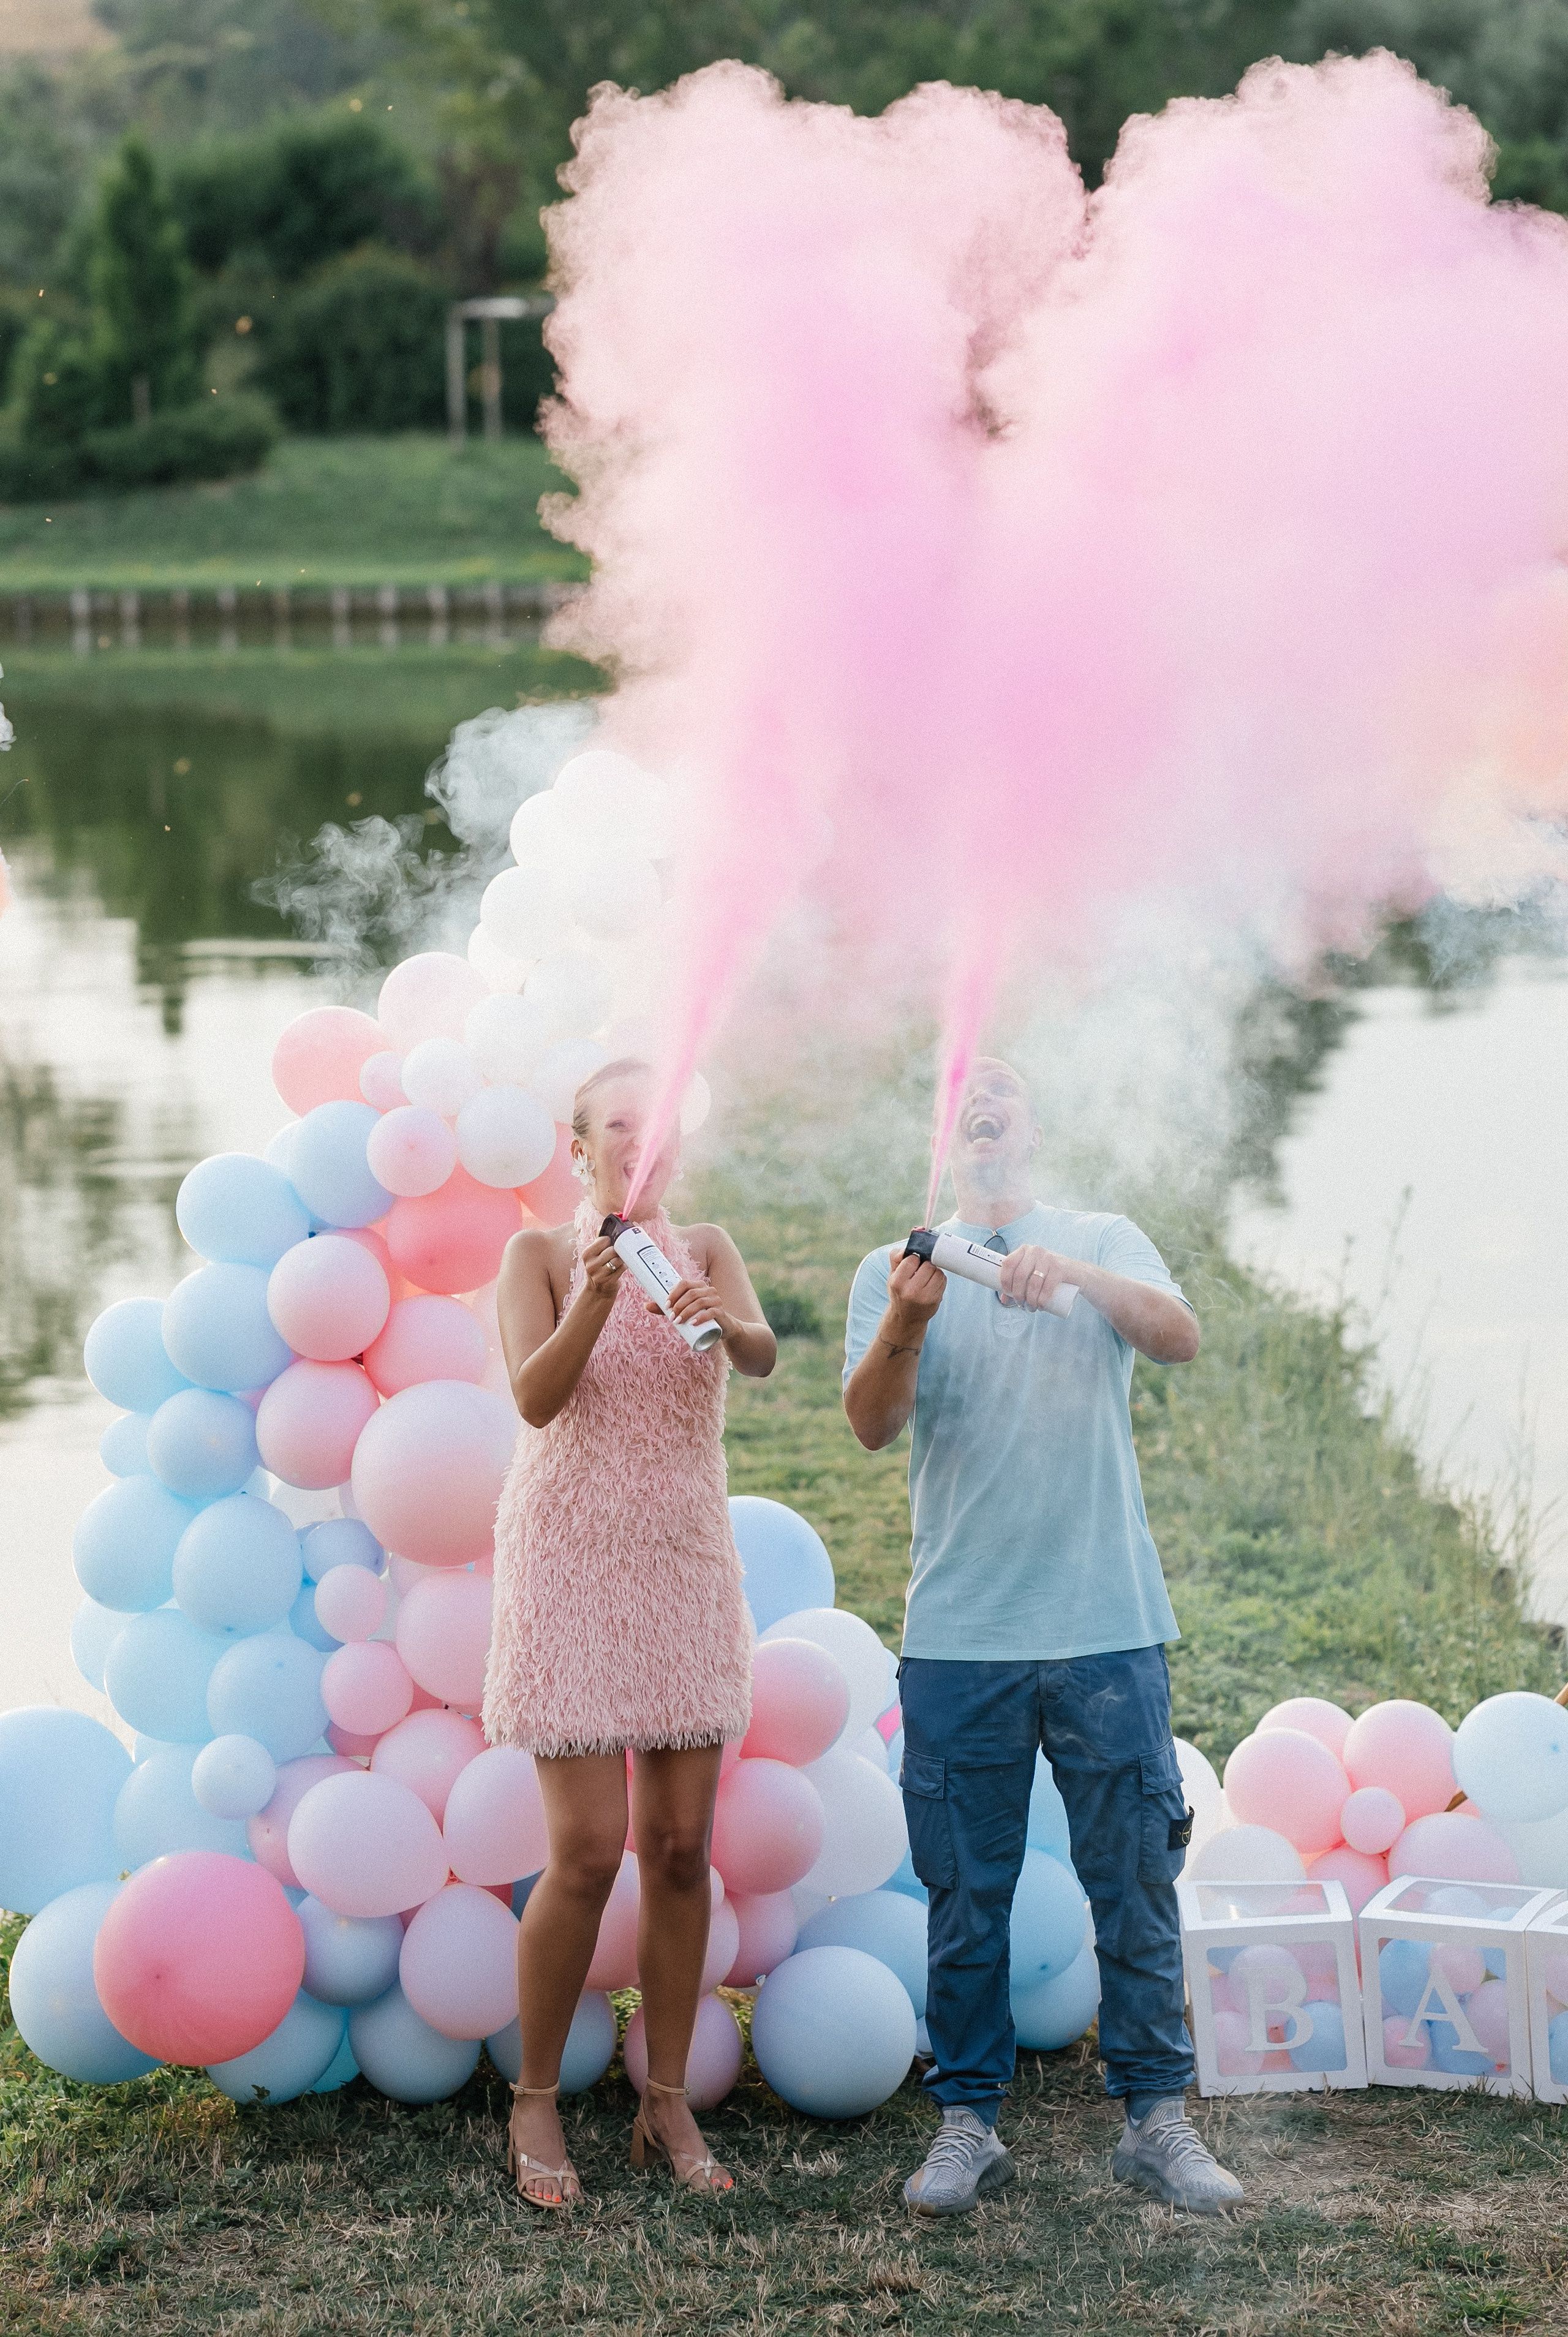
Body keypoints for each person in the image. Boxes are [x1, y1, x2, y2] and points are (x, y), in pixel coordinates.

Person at [842, 1057, 1242, 2219]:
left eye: (1001, 1089)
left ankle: (1157, 2121)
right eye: (963, 1094)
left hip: (1106, 1622)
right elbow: (870, 1426)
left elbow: (1178, 1337)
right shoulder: (896, 1266)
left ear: (1033, 1122)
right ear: (947, 1134)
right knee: (968, 1890)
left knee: (1134, 1877)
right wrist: (912, 1324)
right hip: (961, 1631)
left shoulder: (1101, 1235)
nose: (981, 1104)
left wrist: (1068, 1273)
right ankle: (968, 2122)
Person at [483, 1057, 777, 2208]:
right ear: (581, 1149)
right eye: (617, 1127)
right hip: (567, 1564)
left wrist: (726, 1320)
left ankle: (666, 2106)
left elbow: (757, 1356)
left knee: (679, 1849)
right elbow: (534, 1399)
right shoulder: (541, 1257)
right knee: (589, 1853)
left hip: (683, 1560)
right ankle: (537, 2099)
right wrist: (599, 1297)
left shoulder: (703, 1243)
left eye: (655, 1128)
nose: (638, 1143)